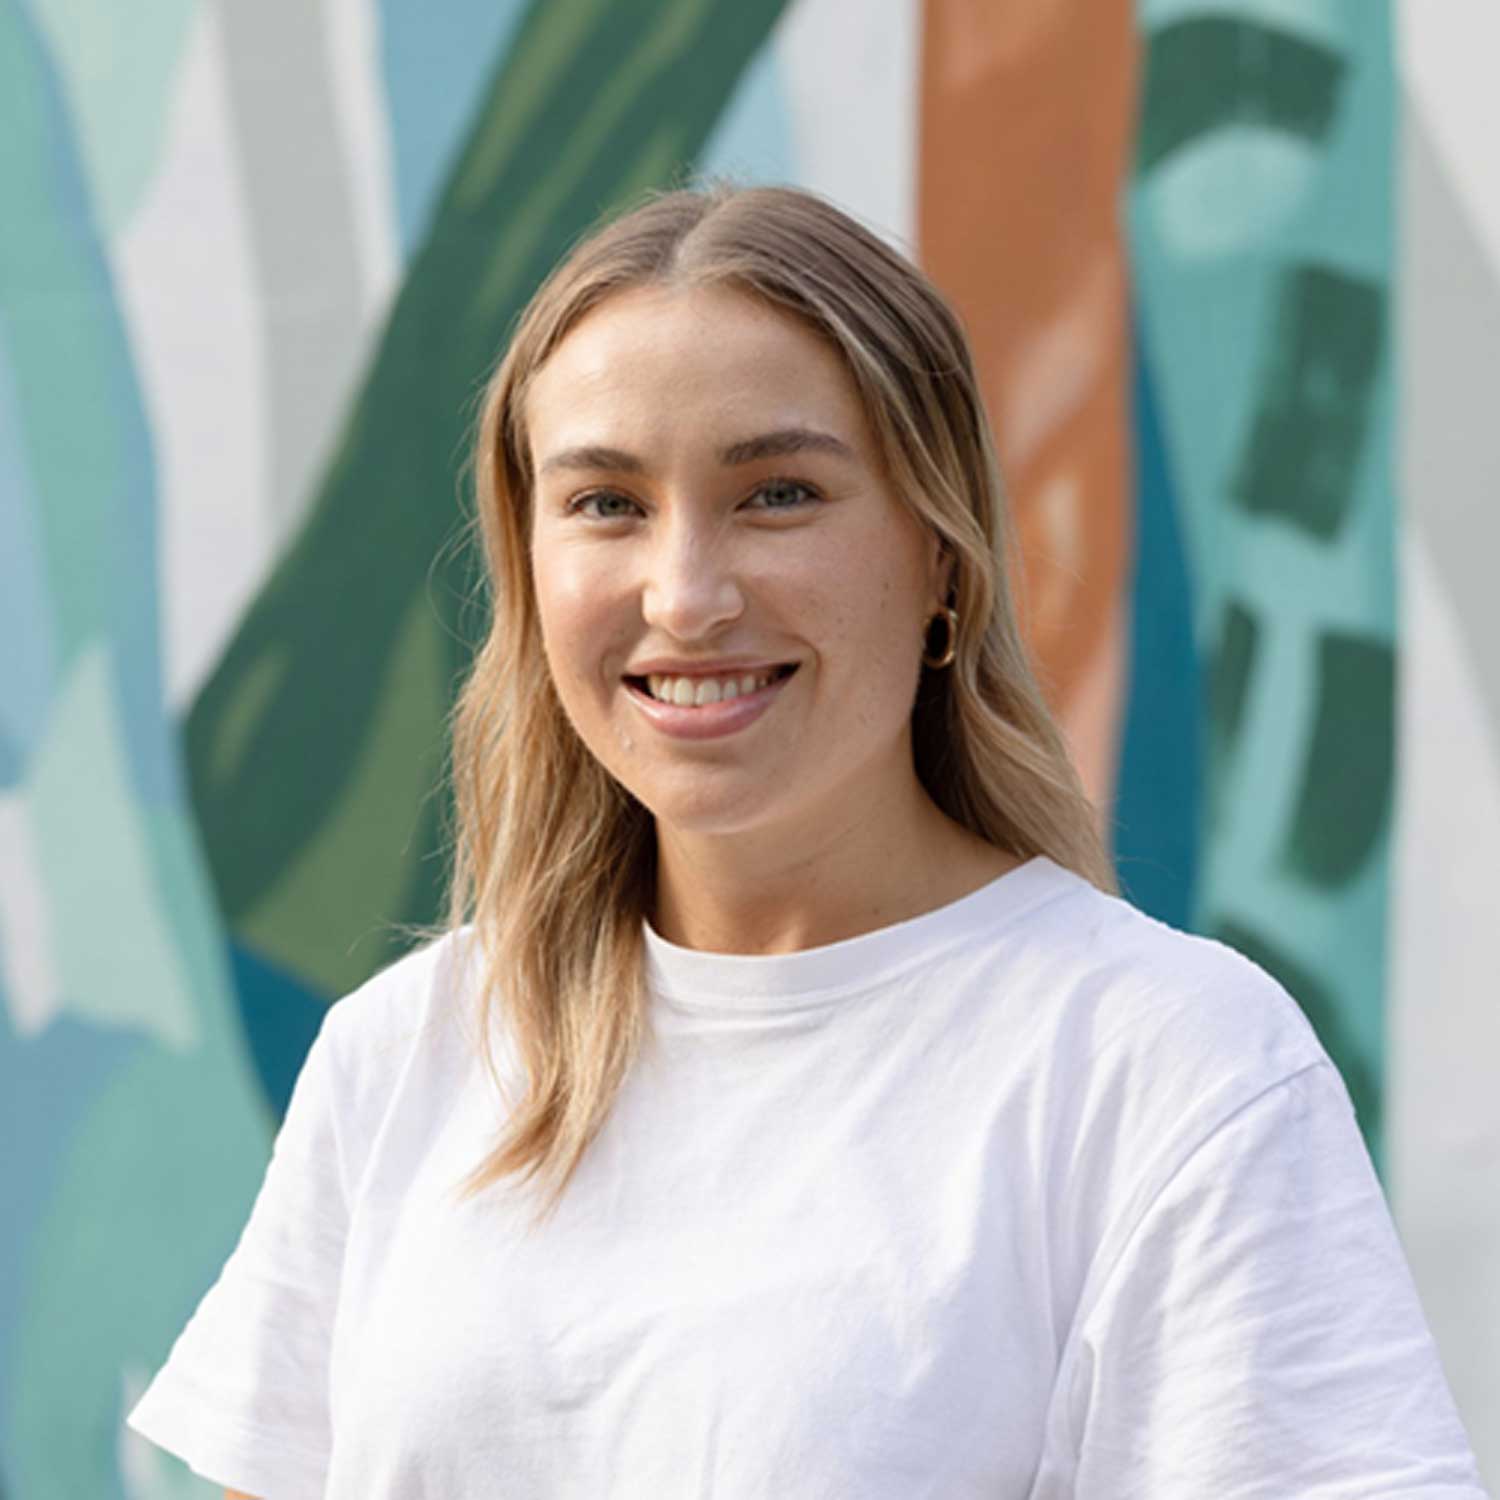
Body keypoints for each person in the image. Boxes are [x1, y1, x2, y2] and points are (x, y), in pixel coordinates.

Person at [128, 184, 1488, 1498]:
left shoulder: (1167, 1069)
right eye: (607, 503)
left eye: (777, 493)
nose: (686, 593)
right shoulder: (406, 1055)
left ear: (943, 555)